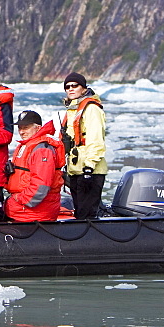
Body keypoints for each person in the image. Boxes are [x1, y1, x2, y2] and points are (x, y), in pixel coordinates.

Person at [60, 72, 108, 219]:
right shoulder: (72, 110)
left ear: (84, 88)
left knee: (86, 215)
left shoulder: (91, 109)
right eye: (67, 87)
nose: (71, 89)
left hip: (90, 171)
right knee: (80, 213)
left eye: (75, 85)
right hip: (75, 170)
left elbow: (96, 140)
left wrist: (89, 167)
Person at [4, 110, 66, 222]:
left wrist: (19, 199)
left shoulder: (42, 150)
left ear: (37, 128)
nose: (21, 132)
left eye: (26, 128)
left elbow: (41, 186)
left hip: (34, 213)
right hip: (24, 209)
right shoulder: (27, 145)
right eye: (20, 128)